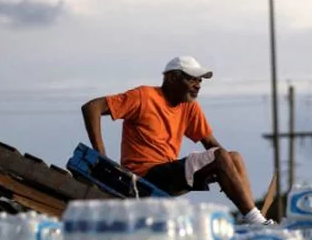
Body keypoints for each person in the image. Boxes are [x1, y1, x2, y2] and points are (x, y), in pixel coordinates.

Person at [81, 55, 274, 225]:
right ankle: (254, 218)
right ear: (172, 78)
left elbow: (211, 144)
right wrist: (101, 156)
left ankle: (255, 219)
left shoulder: (189, 107)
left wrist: (227, 170)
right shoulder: (143, 96)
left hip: (169, 174)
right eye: (191, 79)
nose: (197, 85)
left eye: (199, 81)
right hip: (144, 176)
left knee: (234, 157)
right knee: (221, 156)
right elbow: (91, 107)